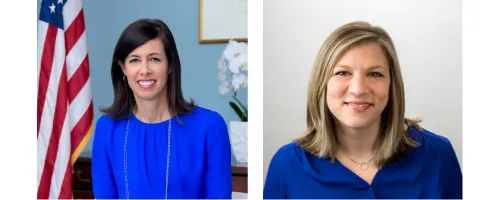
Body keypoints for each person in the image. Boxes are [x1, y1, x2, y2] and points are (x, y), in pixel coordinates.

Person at [263, 21, 462, 199]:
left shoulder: (439, 156)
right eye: (342, 73)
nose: (358, 89)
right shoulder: (287, 166)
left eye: (375, 74)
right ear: (321, 85)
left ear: (392, 87)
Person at [91, 18, 232, 199]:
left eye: (154, 59)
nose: (144, 70)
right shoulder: (107, 128)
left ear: (170, 65)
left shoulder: (209, 127)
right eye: (134, 60)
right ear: (123, 68)